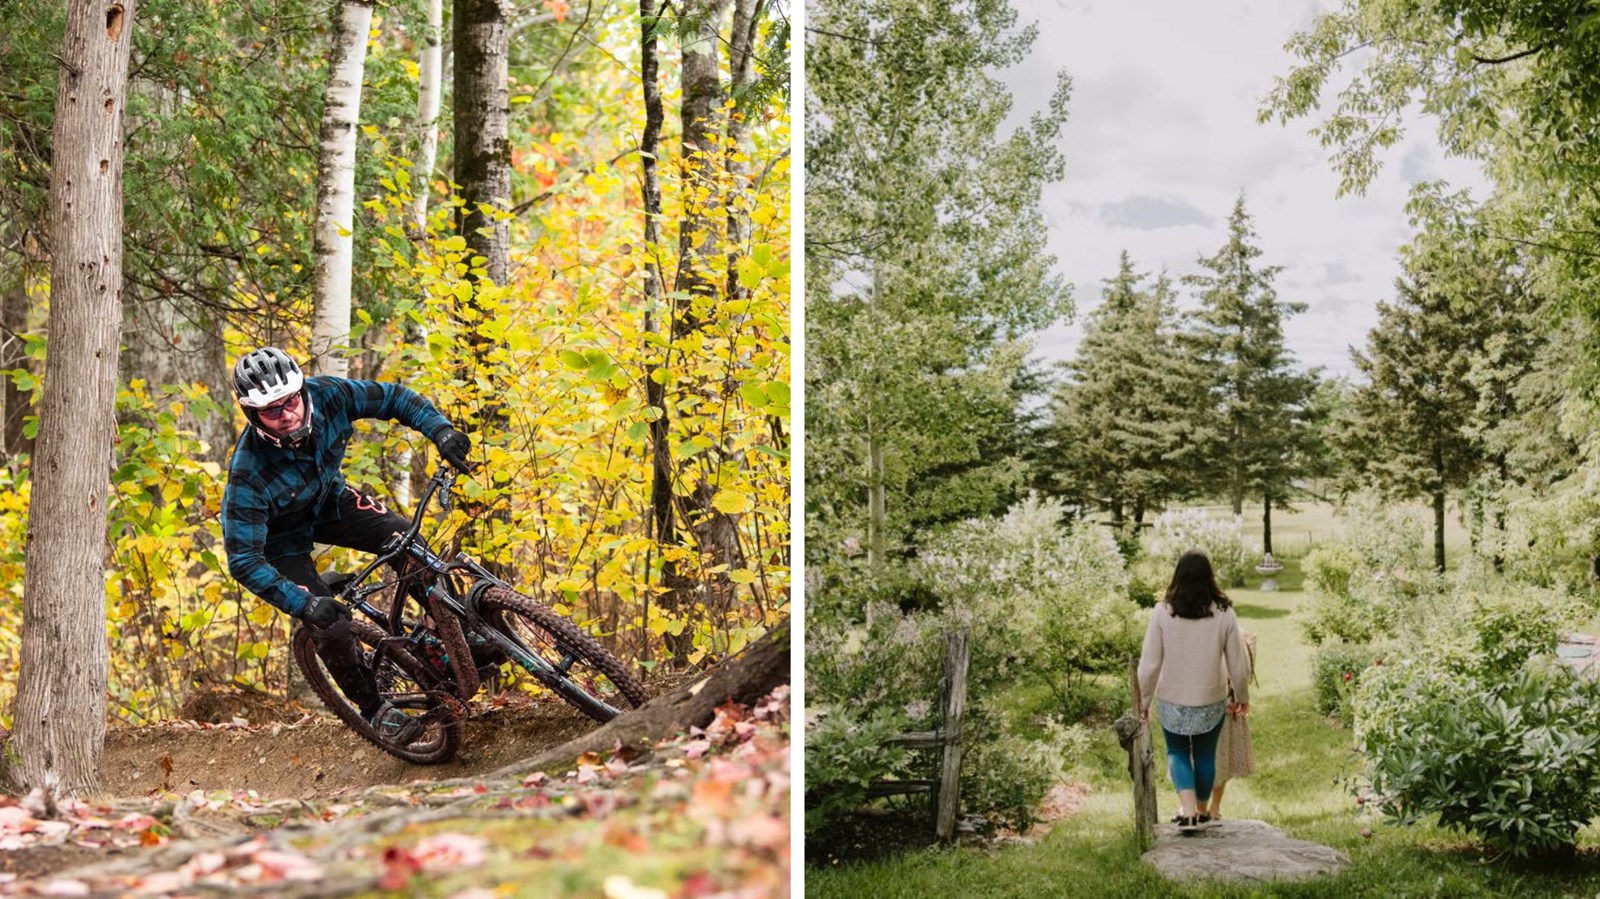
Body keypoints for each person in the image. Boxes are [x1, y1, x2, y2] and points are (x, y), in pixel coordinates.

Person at [220, 347, 473, 746]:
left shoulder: (330, 395)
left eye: (290, 401)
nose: (287, 414)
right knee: (331, 626)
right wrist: (304, 604)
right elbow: (243, 560)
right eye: (272, 410)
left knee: (404, 539)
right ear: (252, 414)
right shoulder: (248, 473)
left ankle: (460, 635)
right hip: (280, 540)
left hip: (327, 502)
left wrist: (439, 430)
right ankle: (375, 710)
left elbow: (394, 397)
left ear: (302, 389)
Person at [1137, 550, 1252, 833]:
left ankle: (1187, 812)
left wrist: (1144, 700)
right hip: (1211, 698)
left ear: (1178, 577)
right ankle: (1201, 811)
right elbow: (1238, 664)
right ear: (1209, 579)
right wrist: (1242, 697)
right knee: (1204, 755)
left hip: (1171, 698)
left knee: (1177, 751)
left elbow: (1150, 663)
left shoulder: (1162, 612)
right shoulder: (1225, 613)